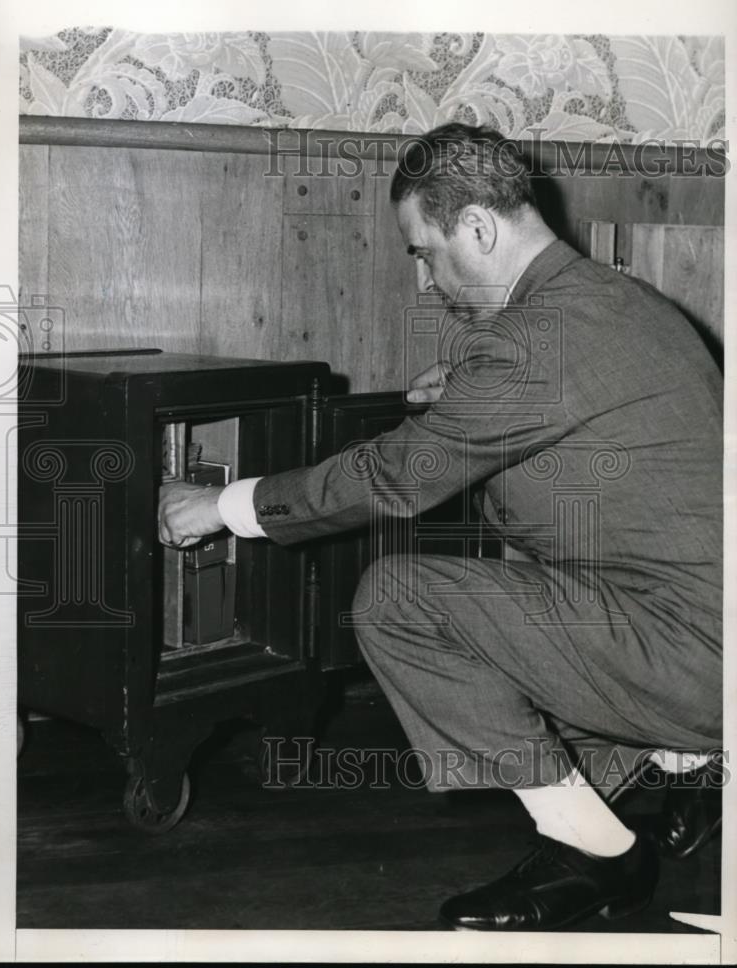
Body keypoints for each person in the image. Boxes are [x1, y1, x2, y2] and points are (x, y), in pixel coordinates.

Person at [158, 123, 723, 931]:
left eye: (422, 249)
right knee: (505, 674)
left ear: (479, 229)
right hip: (697, 626)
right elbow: (568, 389)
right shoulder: (614, 301)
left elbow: (394, 478)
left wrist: (219, 505)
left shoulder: (538, 342)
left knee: (399, 601)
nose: (425, 280)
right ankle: (685, 763)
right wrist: (465, 379)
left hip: (697, 657)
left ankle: (602, 854)